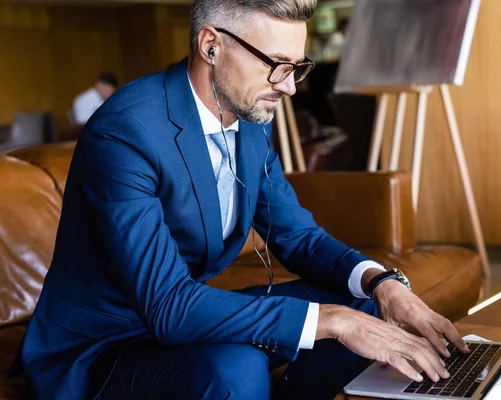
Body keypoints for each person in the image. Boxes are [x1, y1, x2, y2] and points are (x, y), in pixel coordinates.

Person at [18, 1, 469, 399]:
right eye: (276, 64)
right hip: (104, 347)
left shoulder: (251, 119)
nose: (290, 87)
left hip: (175, 321)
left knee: (363, 305)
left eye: (297, 66)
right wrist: (331, 321)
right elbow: (170, 307)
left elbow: (298, 236)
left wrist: (380, 282)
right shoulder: (126, 132)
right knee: (239, 367)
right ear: (211, 45)